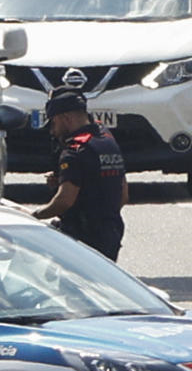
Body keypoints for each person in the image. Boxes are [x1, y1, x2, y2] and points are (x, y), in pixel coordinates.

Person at [28, 88, 127, 261]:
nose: (52, 131)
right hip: (111, 232)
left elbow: (64, 201)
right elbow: (123, 195)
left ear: (66, 118)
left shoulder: (74, 151)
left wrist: (35, 216)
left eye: (53, 123)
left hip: (83, 237)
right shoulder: (107, 140)